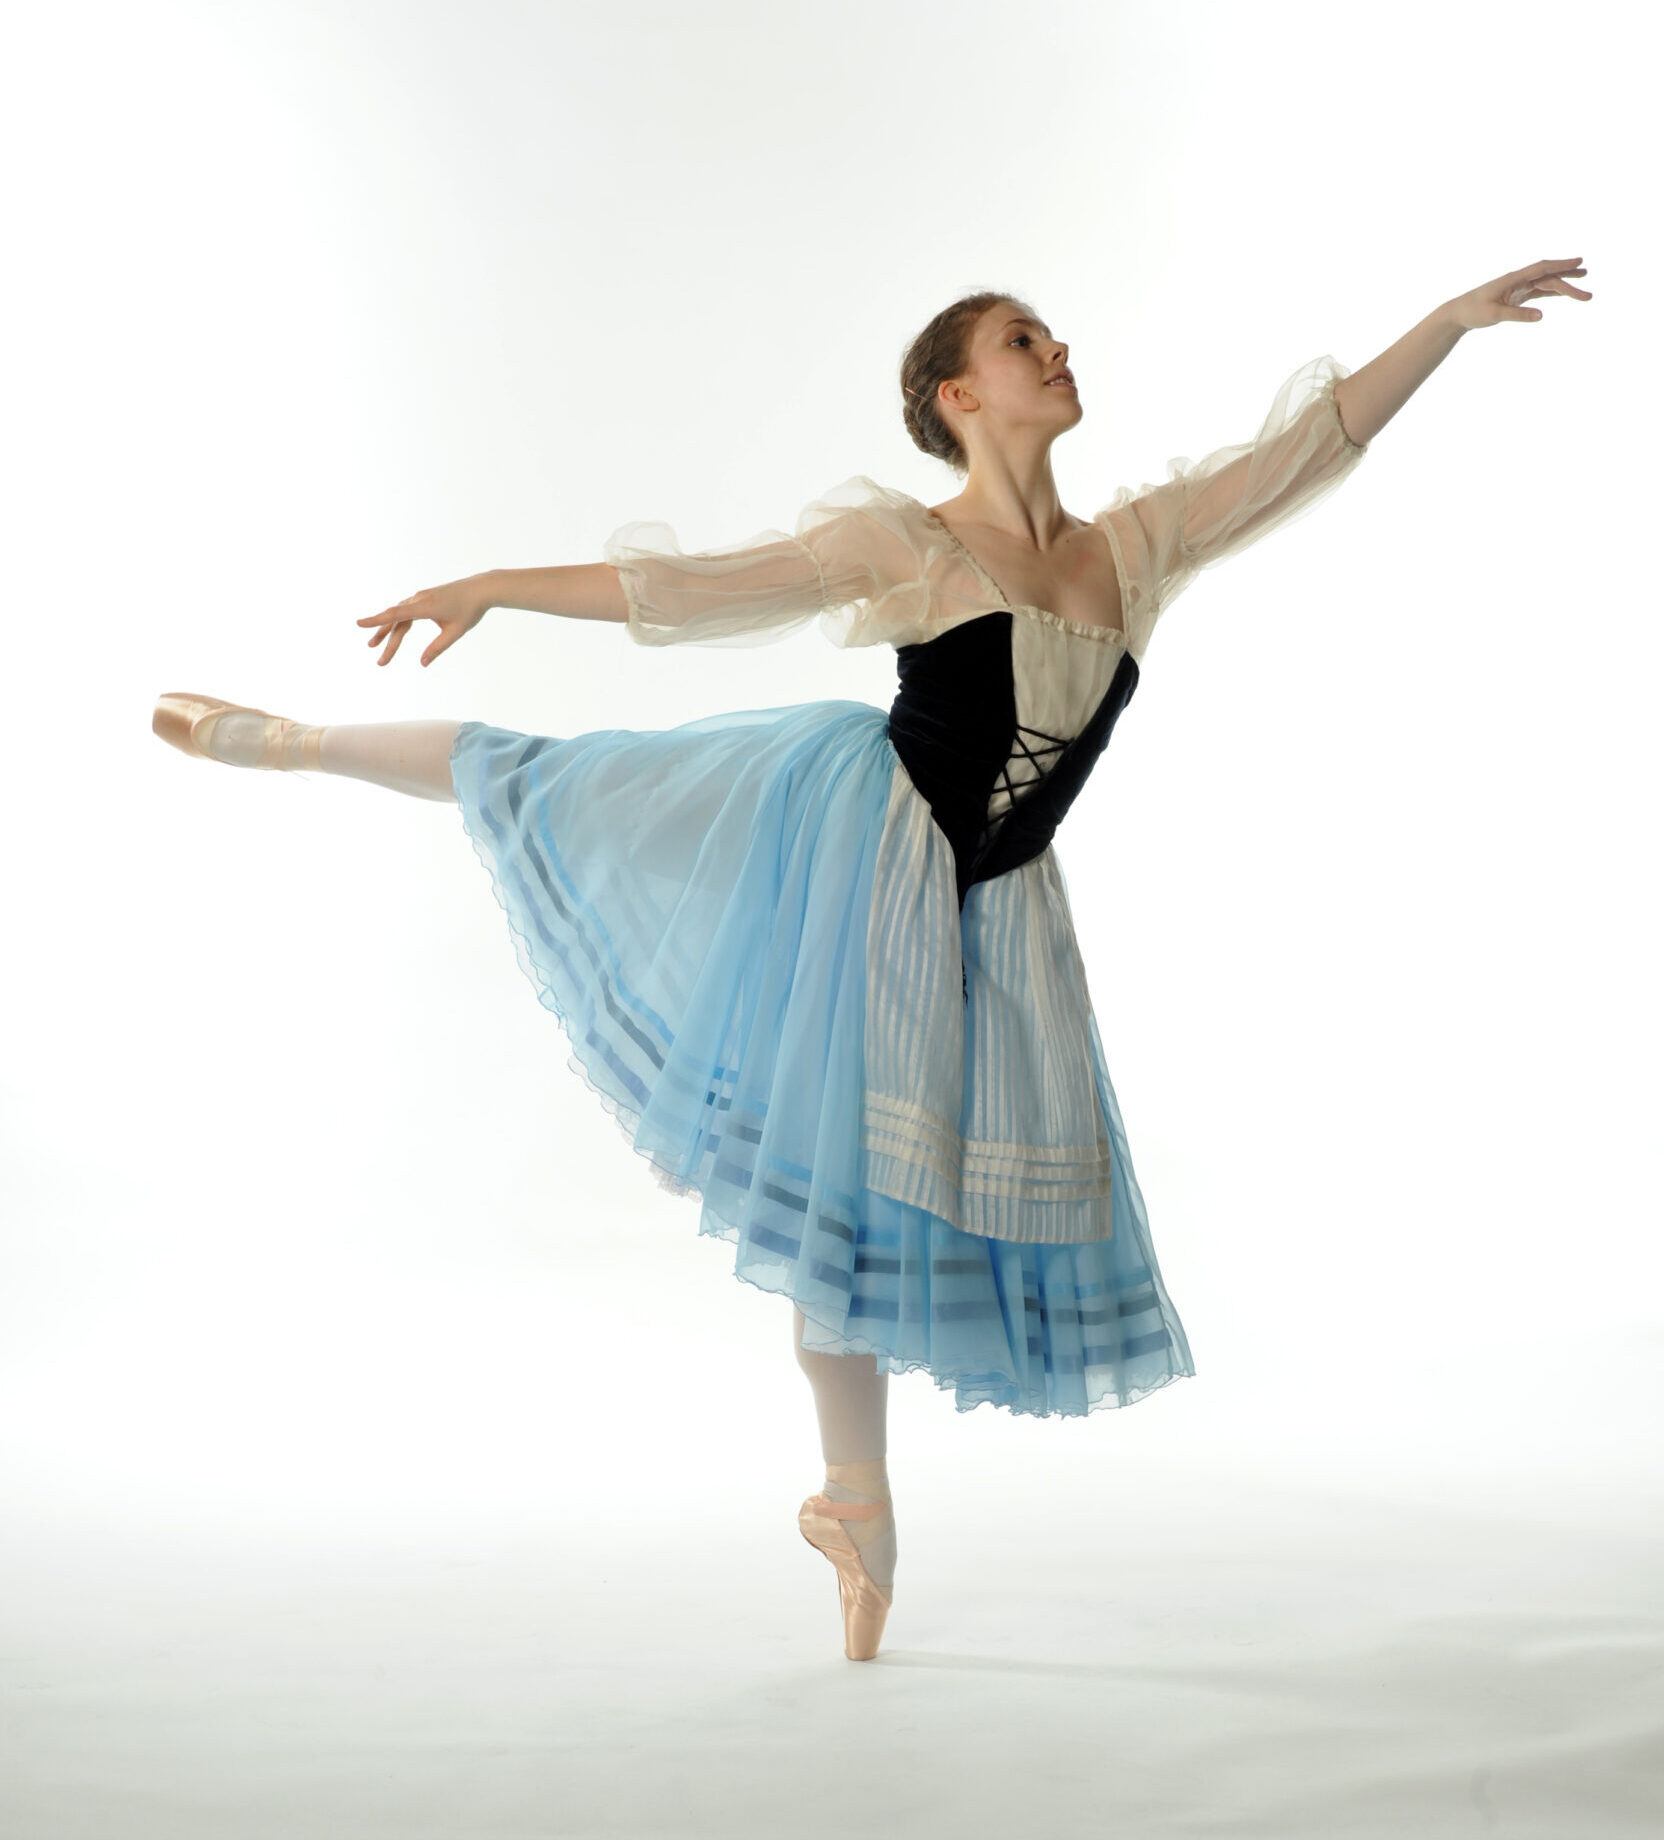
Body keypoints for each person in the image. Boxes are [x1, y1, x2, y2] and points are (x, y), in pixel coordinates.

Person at [151, 260, 1592, 1662]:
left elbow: (1308, 446)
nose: (1058, 351)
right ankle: (289, 740)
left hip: (999, 903)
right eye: (1025, 340)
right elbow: (693, 588)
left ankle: (850, 1505)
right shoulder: (909, 544)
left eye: (1054, 335)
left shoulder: (1133, 550)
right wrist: (492, 585)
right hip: (862, 847)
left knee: (907, 1190)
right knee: (573, 799)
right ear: (959, 395)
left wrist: (1448, 324)